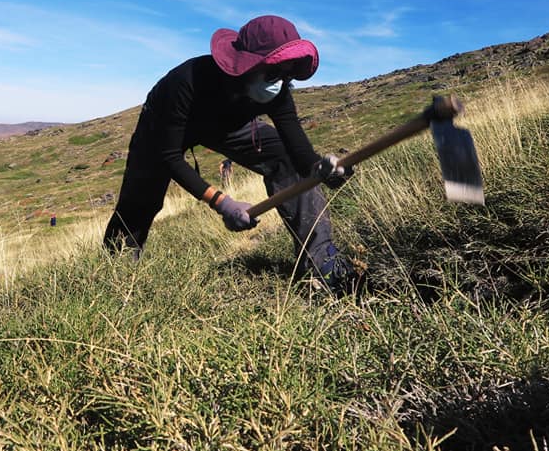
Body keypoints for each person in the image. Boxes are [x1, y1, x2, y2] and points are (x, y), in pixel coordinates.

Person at [103, 15, 359, 295]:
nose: (280, 83)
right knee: (140, 201)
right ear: (247, 64)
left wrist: (319, 169)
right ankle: (116, 278)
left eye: (287, 76)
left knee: (284, 159)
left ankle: (325, 264)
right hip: (162, 131)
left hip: (229, 127)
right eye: (273, 74)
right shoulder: (186, 82)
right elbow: (169, 156)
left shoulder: (278, 89)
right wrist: (222, 202)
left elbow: (296, 145)